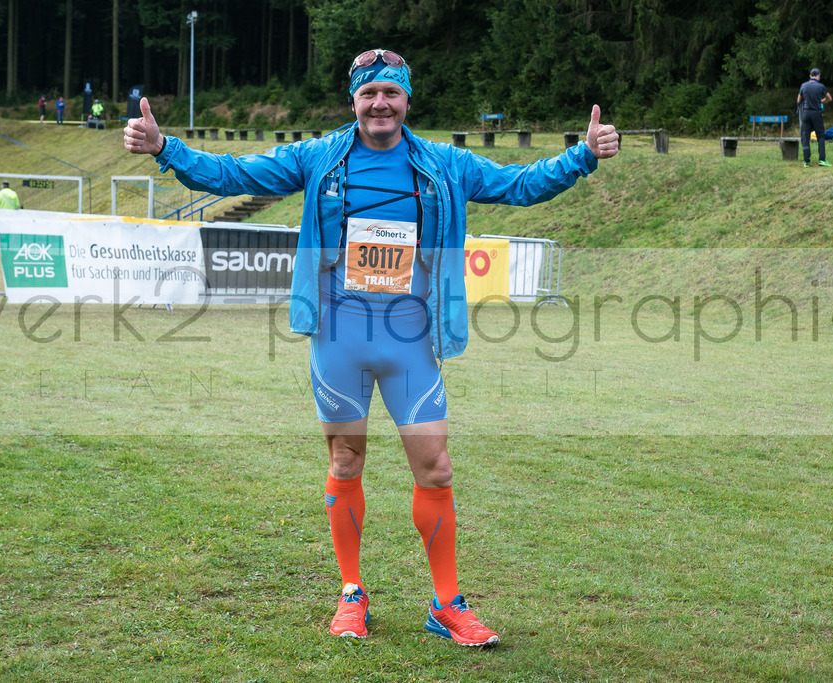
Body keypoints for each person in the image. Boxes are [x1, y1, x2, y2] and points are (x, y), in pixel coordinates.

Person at [124, 48, 619, 647]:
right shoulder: (319, 157)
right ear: (353, 100)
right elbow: (235, 174)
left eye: (390, 93)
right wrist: (164, 148)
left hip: (411, 340)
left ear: (407, 100)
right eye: (369, 94)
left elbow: (519, 184)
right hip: (340, 338)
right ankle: (352, 593)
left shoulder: (443, 164)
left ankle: (446, 605)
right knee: (345, 463)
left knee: (435, 469)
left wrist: (583, 157)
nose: (380, 103)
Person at [797, 68, 833, 167]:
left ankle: (806, 161)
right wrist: (822, 101)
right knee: (820, 136)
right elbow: (830, 98)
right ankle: (822, 159)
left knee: (805, 137)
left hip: (806, 113)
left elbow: (798, 99)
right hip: (816, 113)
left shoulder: (803, 85)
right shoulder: (821, 86)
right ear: (819, 75)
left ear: (810, 76)